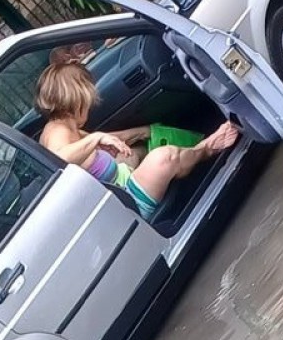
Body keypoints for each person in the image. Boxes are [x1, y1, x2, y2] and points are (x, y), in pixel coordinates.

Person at [34, 50, 240, 220]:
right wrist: (95, 138)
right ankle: (207, 149)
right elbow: (60, 160)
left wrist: (144, 131)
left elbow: (110, 142)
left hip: (124, 178)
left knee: (143, 144)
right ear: (77, 98)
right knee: (163, 157)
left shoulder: (68, 126)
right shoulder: (56, 132)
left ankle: (196, 147)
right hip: (127, 203)